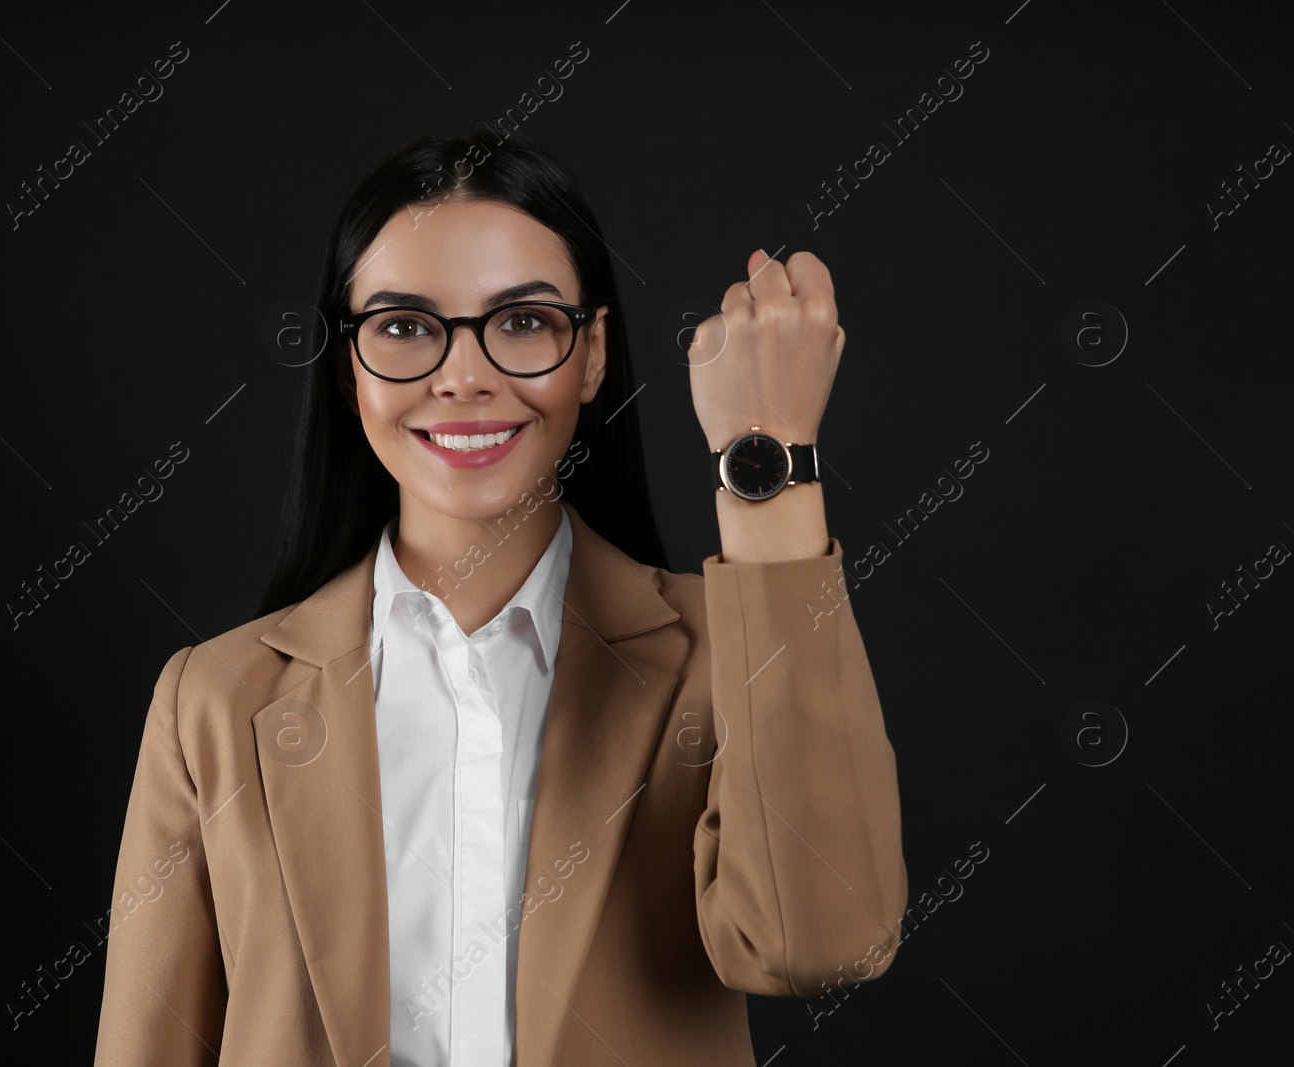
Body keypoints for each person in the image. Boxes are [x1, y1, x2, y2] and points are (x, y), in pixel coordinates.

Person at [92, 127, 906, 1067]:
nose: (464, 375)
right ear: (349, 364)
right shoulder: (213, 702)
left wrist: (766, 458)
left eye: (522, 322)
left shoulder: (724, 657)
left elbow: (824, 938)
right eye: (403, 326)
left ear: (592, 353)